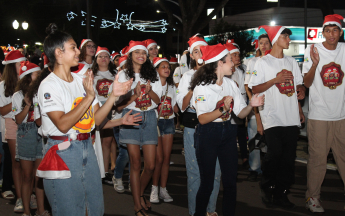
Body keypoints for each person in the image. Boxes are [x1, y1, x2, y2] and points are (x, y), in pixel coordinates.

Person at [37, 23, 139, 216]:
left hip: (87, 148)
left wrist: (113, 97)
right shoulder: (48, 85)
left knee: (94, 208)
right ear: (59, 53)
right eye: (73, 47)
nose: (78, 52)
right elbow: (63, 124)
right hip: (62, 152)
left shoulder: (80, 81)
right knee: (68, 210)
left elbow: (96, 119)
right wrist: (89, 98)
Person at [191, 43, 264, 216]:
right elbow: (202, 119)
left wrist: (251, 105)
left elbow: (239, 113)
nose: (233, 64)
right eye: (230, 60)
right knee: (207, 183)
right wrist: (223, 109)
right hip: (207, 134)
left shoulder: (231, 84)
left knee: (231, 182)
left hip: (228, 133)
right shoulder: (202, 87)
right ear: (219, 63)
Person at [248, 25, 306, 209]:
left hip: (291, 118)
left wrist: (300, 103)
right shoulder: (262, 63)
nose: (289, 40)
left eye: (289, 37)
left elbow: (297, 87)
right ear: (276, 39)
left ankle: (282, 193)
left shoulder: (291, 62)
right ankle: (267, 187)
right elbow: (254, 88)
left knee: (288, 160)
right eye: (286, 37)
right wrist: (274, 80)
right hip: (272, 117)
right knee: (274, 155)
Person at [302, 14, 345, 213]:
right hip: (319, 115)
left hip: (342, 116)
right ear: (323, 33)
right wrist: (314, 63)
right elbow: (307, 83)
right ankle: (313, 197)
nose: (331, 34)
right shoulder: (312, 50)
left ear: (341, 32)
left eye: (335, 30)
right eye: (327, 31)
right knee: (318, 159)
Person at [115, 40, 162, 216]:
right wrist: (134, 95)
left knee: (150, 165)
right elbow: (119, 107)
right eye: (137, 53)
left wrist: (149, 92)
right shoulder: (123, 76)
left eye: (143, 52)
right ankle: (137, 205)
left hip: (149, 117)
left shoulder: (152, 74)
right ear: (130, 55)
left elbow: (158, 102)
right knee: (135, 163)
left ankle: (139, 193)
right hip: (130, 118)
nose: (141, 55)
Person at [177, 35, 221, 216]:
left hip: (215, 126)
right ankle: (196, 212)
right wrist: (192, 88)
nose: (200, 53)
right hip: (192, 128)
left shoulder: (217, 74)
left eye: (202, 49)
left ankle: (211, 210)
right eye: (196, 51)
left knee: (215, 172)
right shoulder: (186, 76)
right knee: (195, 173)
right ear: (192, 56)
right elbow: (181, 106)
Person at [12, 61, 50, 216]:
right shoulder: (18, 96)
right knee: (27, 176)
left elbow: (43, 118)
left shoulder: (42, 91)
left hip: (40, 133)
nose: (39, 75)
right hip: (25, 134)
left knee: (39, 176)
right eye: (36, 73)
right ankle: (27, 211)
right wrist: (28, 106)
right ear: (27, 77)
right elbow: (18, 120)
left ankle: (41, 210)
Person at [0, 50, 26, 212]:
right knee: (16, 162)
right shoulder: (2, 86)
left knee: (28, 163)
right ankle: (19, 197)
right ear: (11, 67)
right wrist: (19, 100)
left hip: (27, 124)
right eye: (19, 64)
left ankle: (27, 193)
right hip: (11, 123)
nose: (22, 66)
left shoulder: (27, 82)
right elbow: (3, 111)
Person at [150, 57, 178, 204]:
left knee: (166, 158)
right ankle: (154, 189)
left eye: (168, 67)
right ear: (156, 70)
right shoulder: (152, 85)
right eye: (163, 67)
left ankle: (163, 189)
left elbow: (174, 107)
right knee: (158, 159)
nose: (167, 69)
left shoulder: (172, 87)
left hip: (169, 122)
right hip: (155, 123)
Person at [244, 34, 272, 181]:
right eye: (261, 43)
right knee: (255, 140)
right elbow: (247, 86)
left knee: (270, 141)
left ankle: (269, 170)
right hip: (256, 109)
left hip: (273, 109)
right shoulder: (252, 62)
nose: (264, 45)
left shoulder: (275, 62)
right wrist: (253, 103)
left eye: (267, 43)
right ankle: (255, 168)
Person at [91, 46, 117, 184]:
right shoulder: (91, 74)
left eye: (106, 56)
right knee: (95, 141)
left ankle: (105, 171)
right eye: (100, 56)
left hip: (111, 110)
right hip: (95, 111)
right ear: (96, 59)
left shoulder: (116, 74)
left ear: (110, 59)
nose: (103, 59)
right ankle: (95, 170)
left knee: (107, 141)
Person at [224, 42, 249, 169]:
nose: (238, 57)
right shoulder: (226, 72)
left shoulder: (243, 69)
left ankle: (245, 157)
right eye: (234, 55)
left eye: (238, 55)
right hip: (229, 107)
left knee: (242, 133)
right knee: (231, 135)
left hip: (241, 104)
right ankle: (231, 161)